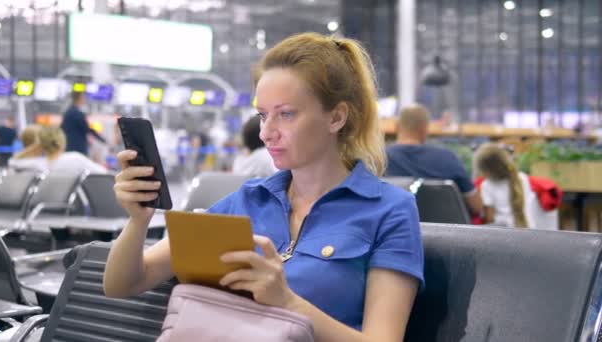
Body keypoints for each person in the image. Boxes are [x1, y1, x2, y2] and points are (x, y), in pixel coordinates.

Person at [104, 32, 423, 341]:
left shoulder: (389, 210)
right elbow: (122, 284)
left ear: (336, 117)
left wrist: (287, 302)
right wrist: (138, 221)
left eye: (285, 115)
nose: (266, 133)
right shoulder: (246, 200)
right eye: (262, 116)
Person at [385, 104, 483, 216]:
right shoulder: (447, 158)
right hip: (445, 232)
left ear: (397, 127)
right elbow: (477, 206)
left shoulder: (380, 159)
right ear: (425, 128)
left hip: (396, 229)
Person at [473, 143, 535, 228]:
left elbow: (489, 218)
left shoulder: (487, 185)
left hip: (502, 233)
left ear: (486, 170)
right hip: (528, 228)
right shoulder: (523, 178)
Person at [9, 126, 107, 174]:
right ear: (62, 142)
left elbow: (14, 161)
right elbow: (104, 174)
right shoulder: (75, 159)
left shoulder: (31, 165)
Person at [61, 91, 107, 156]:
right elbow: (87, 129)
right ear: (80, 98)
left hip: (68, 147)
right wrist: (102, 139)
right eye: (83, 97)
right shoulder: (78, 114)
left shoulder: (67, 112)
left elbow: (62, 128)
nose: (85, 99)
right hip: (78, 149)